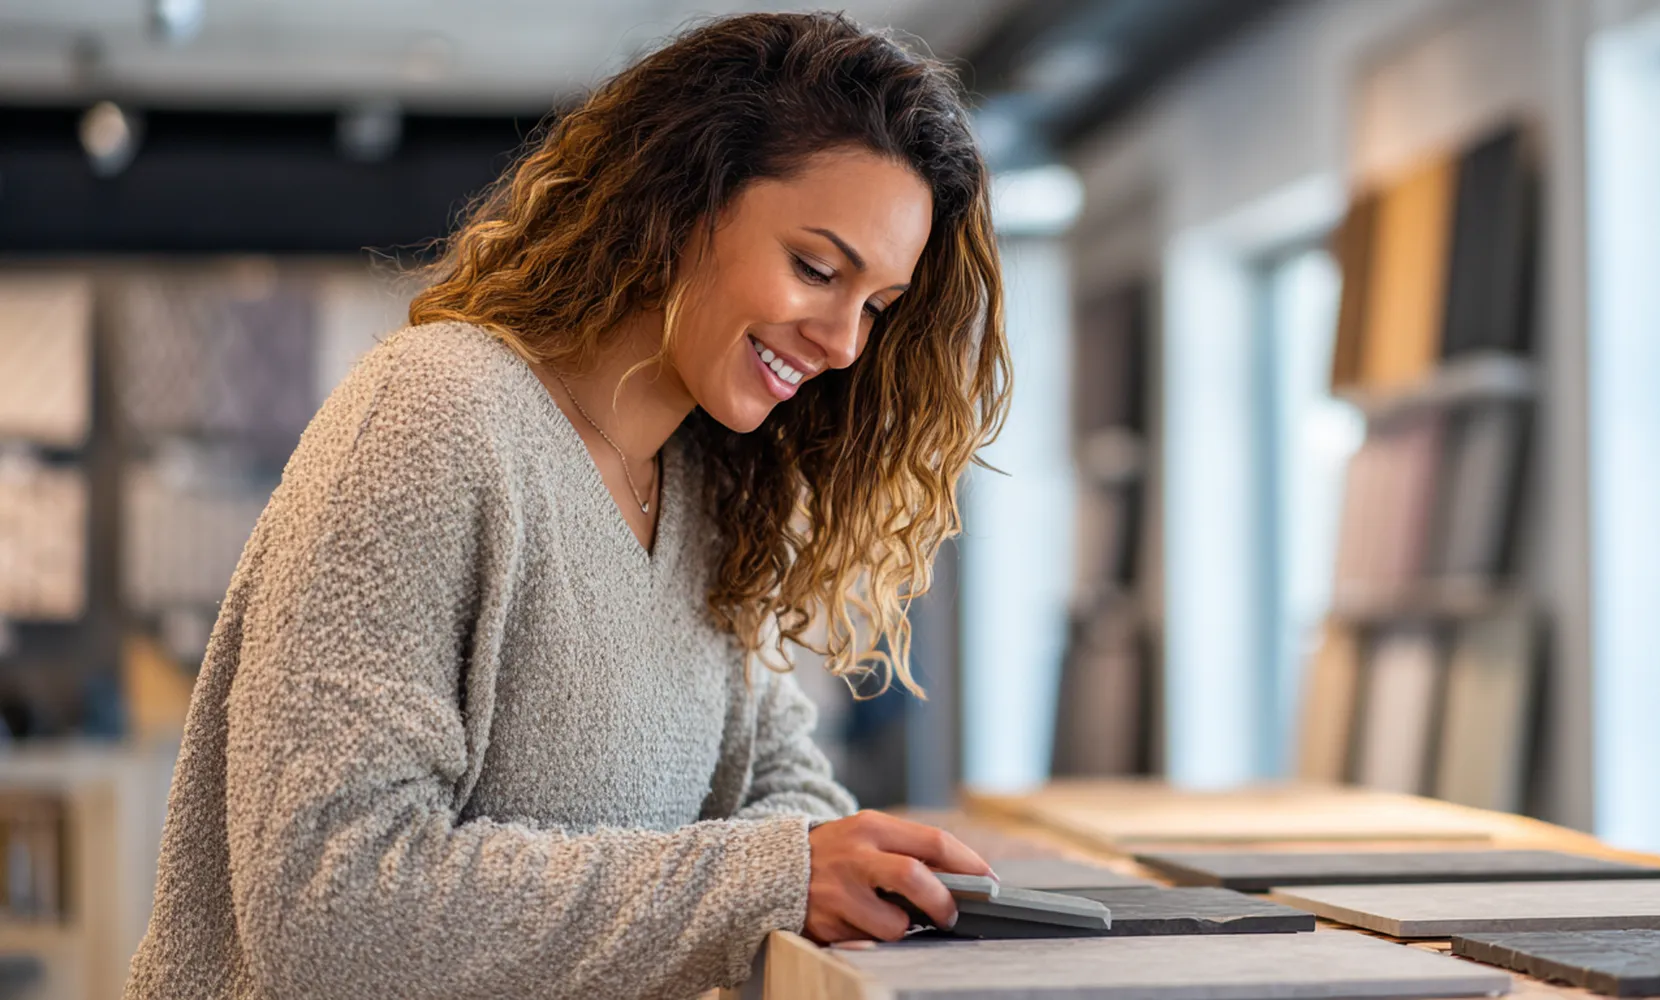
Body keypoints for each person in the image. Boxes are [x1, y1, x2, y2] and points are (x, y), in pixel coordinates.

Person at [126, 11, 1009, 999]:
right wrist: (772, 877)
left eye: (875, 306)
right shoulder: (435, 414)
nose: (846, 342)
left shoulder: (708, 492)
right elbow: (335, 908)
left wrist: (829, 865)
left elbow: (779, 784)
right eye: (815, 268)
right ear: (683, 200)